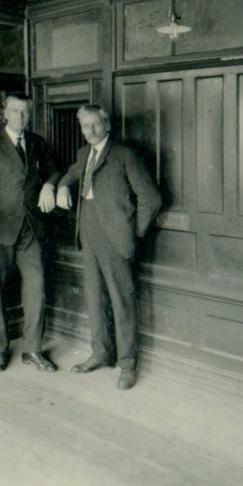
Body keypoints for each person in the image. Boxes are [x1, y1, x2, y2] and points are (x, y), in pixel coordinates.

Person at [56, 105, 161, 390]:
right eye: (84, 127)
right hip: (88, 234)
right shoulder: (83, 154)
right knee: (94, 298)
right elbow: (72, 174)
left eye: (94, 126)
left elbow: (151, 199)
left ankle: (128, 365)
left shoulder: (125, 155)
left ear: (107, 126)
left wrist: (132, 234)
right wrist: (63, 186)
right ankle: (101, 353)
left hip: (116, 238)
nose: (89, 132)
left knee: (121, 301)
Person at [0, 93, 60, 372]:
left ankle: (32, 350)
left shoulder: (37, 143)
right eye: (15, 111)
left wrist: (50, 184)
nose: (20, 116)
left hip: (31, 229)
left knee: (37, 288)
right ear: (4, 113)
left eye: (25, 111)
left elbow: (54, 170)